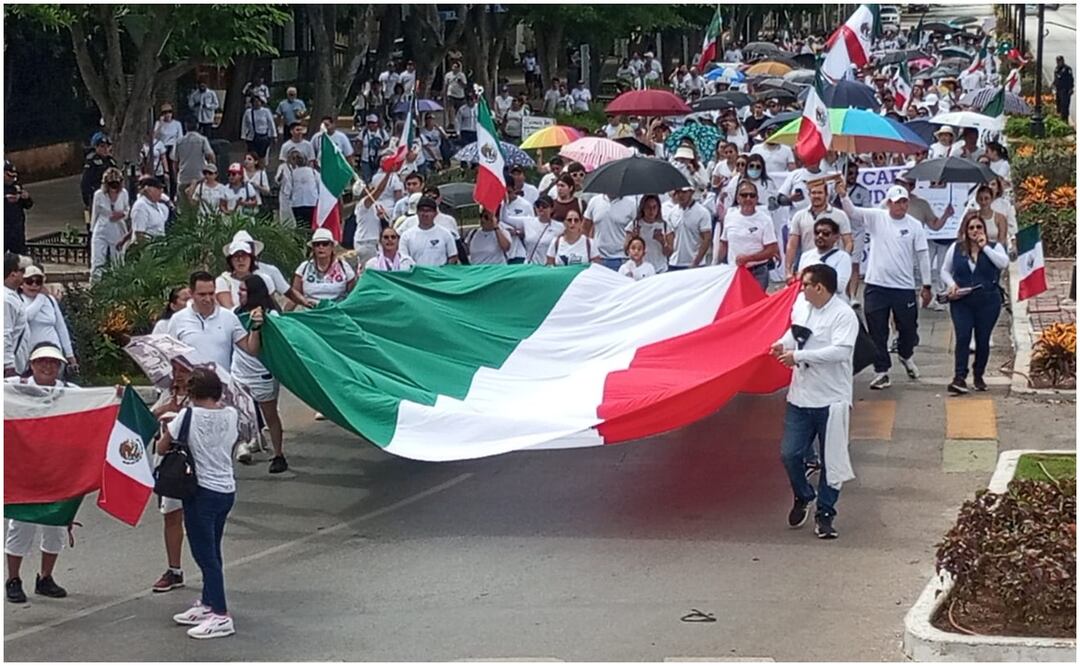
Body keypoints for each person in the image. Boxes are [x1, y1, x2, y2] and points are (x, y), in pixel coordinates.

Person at [771, 248, 860, 540]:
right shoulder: (803, 306)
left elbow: (840, 352)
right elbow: (795, 333)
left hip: (832, 400)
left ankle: (825, 513)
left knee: (832, 460)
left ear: (820, 287)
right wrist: (781, 344)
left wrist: (798, 356)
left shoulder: (843, 315)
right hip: (801, 397)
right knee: (790, 454)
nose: (801, 289)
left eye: (806, 284)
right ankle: (803, 494)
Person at [160, 367, 242, 639]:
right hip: (226, 488)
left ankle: (220, 614)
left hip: (200, 491)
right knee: (213, 548)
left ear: (191, 392)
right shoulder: (231, 414)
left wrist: (168, 424)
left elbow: (162, 447)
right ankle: (208, 602)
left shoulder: (186, 416)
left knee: (205, 556)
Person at [5, 343, 82, 603]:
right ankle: (13, 579)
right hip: (25, 469)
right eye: (42, 361)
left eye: (53, 362)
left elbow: (97, 403)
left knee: (56, 526)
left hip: (59, 470)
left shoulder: (70, 392)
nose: (47, 366)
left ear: (59, 366)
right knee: (21, 525)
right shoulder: (13, 387)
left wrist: (116, 395)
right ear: (32, 364)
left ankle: (45, 578)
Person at [838, 182, 932, 390]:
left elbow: (923, 255)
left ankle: (906, 354)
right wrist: (843, 195)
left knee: (908, 329)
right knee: (877, 331)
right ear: (888, 203)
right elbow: (853, 212)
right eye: (897, 202)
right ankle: (882, 371)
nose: (901, 206)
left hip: (904, 287)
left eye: (904, 202)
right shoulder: (877, 218)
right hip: (876, 286)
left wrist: (926, 285)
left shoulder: (914, 225)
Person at [941, 212, 1010, 395]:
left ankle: (978, 374)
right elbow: (945, 271)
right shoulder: (956, 248)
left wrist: (984, 247)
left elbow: (1003, 263)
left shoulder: (994, 247)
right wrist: (952, 285)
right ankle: (959, 377)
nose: (975, 230)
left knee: (982, 339)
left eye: (979, 227)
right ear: (966, 230)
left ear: (984, 229)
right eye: (971, 227)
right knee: (963, 336)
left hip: (988, 301)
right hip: (962, 302)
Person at [232, 275, 289, 473]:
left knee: (270, 415)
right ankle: (249, 442)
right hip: (239, 373)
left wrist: (257, 326)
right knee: (239, 414)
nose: (238, 293)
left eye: (243, 290)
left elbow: (257, 349)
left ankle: (278, 454)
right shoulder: (235, 313)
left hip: (262, 375)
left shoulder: (272, 316)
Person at [148, 356, 194, 593]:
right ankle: (174, 570)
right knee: (171, 516)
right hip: (169, 464)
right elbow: (149, 418)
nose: (178, 374)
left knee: (196, 518)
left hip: (193, 463)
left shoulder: (200, 397)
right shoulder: (168, 395)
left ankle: (210, 567)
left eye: (183, 369)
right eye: (175, 369)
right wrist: (165, 409)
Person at [166, 271, 265, 373]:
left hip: (222, 381)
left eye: (211, 293)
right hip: (190, 381)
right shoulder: (178, 319)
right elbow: (169, 355)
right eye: (202, 294)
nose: (208, 299)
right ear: (191, 294)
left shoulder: (229, 317)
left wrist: (255, 328)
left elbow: (251, 350)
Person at [717, 180, 779, 289]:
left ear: (757, 198)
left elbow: (772, 250)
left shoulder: (765, 220)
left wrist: (748, 258)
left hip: (757, 272)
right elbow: (724, 242)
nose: (748, 198)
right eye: (744, 195)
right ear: (738, 198)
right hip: (734, 271)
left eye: (752, 195)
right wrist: (719, 264)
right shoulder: (729, 217)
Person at [785, 181, 853, 277]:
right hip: (807, 264)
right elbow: (792, 245)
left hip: (832, 266)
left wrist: (843, 261)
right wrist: (788, 270)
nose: (816, 196)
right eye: (813, 193)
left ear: (826, 195)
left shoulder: (840, 215)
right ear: (809, 195)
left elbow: (848, 242)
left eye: (820, 193)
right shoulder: (799, 216)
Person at [19, 266, 77, 370]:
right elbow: (27, 317)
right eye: (29, 281)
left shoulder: (50, 300)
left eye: (38, 282)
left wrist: (70, 354)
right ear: (21, 284)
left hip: (53, 349)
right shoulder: (19, 300)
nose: (34, 285)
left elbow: (60, 327)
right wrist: (40, 298)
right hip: (30, 352)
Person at [89, 169, 131, 279]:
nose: (113, 188)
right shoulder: (99, 195)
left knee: (118, 260)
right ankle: (95, 283)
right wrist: (92, 231)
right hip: (102, 228)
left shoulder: (124, 193)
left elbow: (127, 209)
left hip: (118, 229)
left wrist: (122, 214)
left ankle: (118, 284)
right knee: (97, 260)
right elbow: (95, 214)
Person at [798, 219, 853, 302]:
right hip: (808, 303)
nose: (820, 236)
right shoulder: (805, 256)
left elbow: (839, 287)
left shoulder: (843, 257)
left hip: (834, 304)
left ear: (836, 237)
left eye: (826, 233)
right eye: (817, 232)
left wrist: (816, 269)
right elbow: (801, 283)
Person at [502, 195, 565, 266]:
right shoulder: (528, 221)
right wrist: (504, 202)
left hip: (547, 267)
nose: (541, 208)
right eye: (538, 205)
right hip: (530, 266)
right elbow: (505, 218)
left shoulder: (560, 227)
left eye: (544, 206)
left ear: (551, 209)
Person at [584, 193, 639, 271]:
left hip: (622, 258)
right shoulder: (594, 201)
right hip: (598, 258)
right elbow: (585, 227)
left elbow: (638, 228)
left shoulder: (632, 204)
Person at [352, 169, 394, 265]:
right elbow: (379, 190)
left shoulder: (373, 206)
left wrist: (382, 217)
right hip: (366, 243)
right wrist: (388, 174)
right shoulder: (363, 204)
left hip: (373, 242)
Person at [400, 198, 459, 266]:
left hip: (439, 272)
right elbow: (404, 258)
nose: (425, 214)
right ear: (417, 212)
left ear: (435, 213)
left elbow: (453, 257)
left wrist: (444, 270)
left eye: (429, 211)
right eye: (422, 210)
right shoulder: (406, 235)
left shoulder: (446, 234)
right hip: (417, 272)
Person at [667, 186, 712, 271]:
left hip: (695, 264)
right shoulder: (672, 213)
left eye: (684, 192)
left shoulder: (703, 212)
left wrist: (696, 262)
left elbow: (706, 239)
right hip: (675, 263)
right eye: (678, 192)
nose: (681, 195)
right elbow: (671, 238)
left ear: (691, 192)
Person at [624, 194, 672, 274]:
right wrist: (633, 238)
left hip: (660, 269)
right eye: (648, 207)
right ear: (643, 208)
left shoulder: (665, 225)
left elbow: (669, 253)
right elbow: (626, 251)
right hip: (641, 270)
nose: (651, 211)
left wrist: (662, 242)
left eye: (654, 207)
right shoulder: (634, 225)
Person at [278, 150, 319, 229]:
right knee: (311, 224)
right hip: (312, 202)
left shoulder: (293, 174)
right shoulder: (313, 172)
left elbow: (288, 190)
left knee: (301, 225)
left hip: (297, 203)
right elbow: (319, 186)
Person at [173, 120, 215, 196]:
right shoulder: (202, 139)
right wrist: (211, 169)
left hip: (183, 177)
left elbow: (175, 161)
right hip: (200, 176)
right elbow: (210, 155)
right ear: (197, 126)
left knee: (183, 201)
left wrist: (176, 176)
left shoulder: (179, 142)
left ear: (185, 126)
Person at [3, 253, 28, 378]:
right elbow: (5, 333)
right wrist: (8, 365)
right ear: (13, 274)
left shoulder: (12, 296)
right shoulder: (6, 300)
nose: (25, 275)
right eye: (22, 271)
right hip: (9, 368)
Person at [80, 135, 118, 219]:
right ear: (96, 147)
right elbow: (85, 183)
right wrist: (87, 201)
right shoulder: (92, 162)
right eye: (102, 146)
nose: (105, 149)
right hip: (97, 197)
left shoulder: (111, 161)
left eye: (107, 147)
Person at [154, 103, 184, 198]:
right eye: (165, 112)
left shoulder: (177, 124)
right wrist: (160, 125)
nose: (167, 114)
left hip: (173, 147)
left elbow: (180, 138)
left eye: (169, 112)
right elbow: (154, 137)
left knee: (173, 172)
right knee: (162, 172)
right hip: (162, 147)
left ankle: (173, 193)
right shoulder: (158, 124)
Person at [130, 176, 171, 243]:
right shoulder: (141, 206)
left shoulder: (159, 205)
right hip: (148, 246)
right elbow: (139, 234)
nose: (161, 192)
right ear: (148, 190)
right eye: (158, 189)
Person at [4, 161, 31, 256]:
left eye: (14, 176)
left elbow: (28, 205)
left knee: (19, 256)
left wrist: (26, 198)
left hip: (16, 229)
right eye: (9, 176)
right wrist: (5, 199)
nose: (12, 179)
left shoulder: (16, 186)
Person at [240, 95, 276, 163]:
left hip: (263, 136)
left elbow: (271, 123)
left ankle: (262, 166)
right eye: (255, 101)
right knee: (252, 155)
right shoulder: (248, 112)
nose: (257, 103)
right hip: (252, 137)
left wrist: (274, 135)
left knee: (262, 155)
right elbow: (244, 125)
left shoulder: (266, 111)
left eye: (258, 101)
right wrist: (243, 136)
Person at [358, 115, 390, 182]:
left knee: (377, 179)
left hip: (378, 160)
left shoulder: (382, 132)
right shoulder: (364, 132)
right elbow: (359, 142)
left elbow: (387, 142)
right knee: (367, 179)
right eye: (369, 123)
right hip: (366, 160)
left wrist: (381, 147)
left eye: (373, 123)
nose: (371, 125)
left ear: (377, 123)